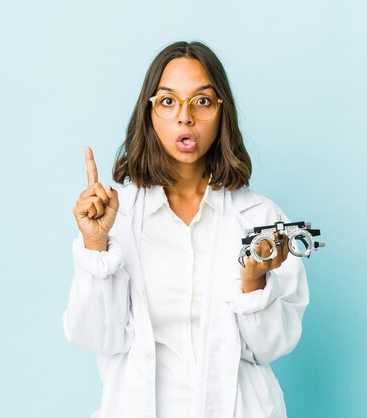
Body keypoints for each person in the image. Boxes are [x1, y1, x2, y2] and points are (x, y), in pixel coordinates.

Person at [64, 41, 309, 418]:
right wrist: (96, 245)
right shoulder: (117, 216)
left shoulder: (260, 218)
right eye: (167, 101)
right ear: (148, 113)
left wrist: (253, 283)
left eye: (202, 101)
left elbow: (272, 346)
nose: (185, 117)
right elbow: (97, 337)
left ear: (221, 112)